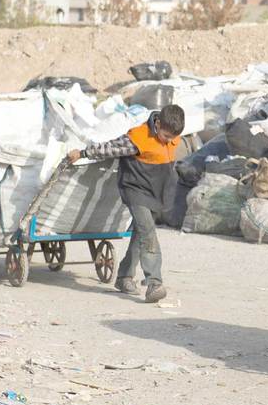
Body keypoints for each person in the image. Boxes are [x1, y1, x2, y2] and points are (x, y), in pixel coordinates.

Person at [67, 104, 184, 304]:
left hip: (157, 192)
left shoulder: (172, 135)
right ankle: (154, 282)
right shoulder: (137, 138)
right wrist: (83, 153)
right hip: (135, 190)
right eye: (165, 136)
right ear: (157, 124)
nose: (169, 141)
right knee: (148, 234)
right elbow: (109, 148)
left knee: (140, 235)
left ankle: (124, 277)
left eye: (172, 138)